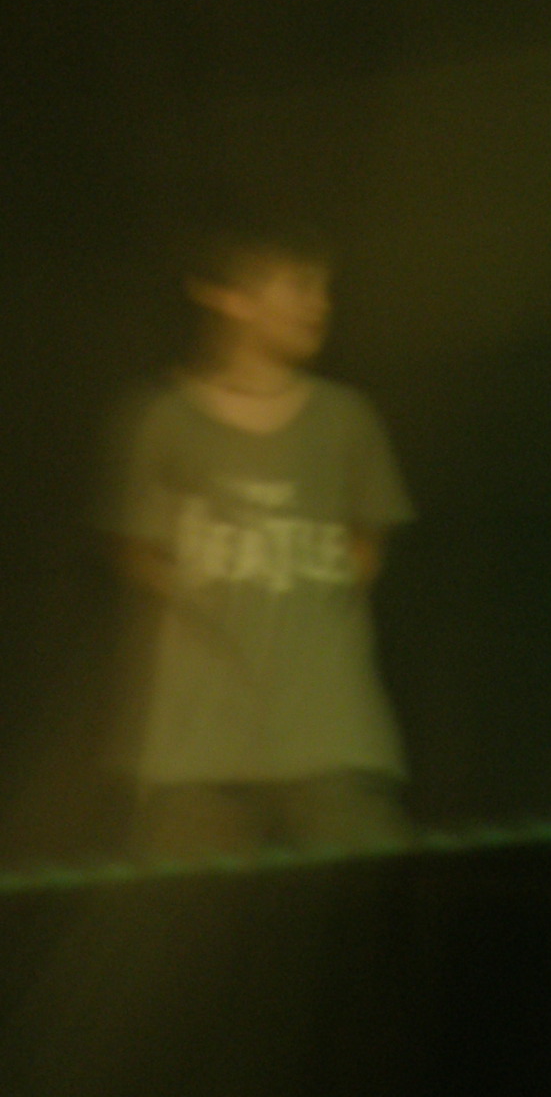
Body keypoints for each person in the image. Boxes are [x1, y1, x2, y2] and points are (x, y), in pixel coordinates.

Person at [104, 219, 415, 857]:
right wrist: (218, 602)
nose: (319, 304)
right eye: (300, 285)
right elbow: (138, 554)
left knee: (367, 904)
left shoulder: (347, 420)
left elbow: (367, 544)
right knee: (187, 915)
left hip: (332, 746)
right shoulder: (165, 420)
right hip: (198, 756)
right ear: (233, 298)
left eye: (324, 288)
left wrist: (303, 603)